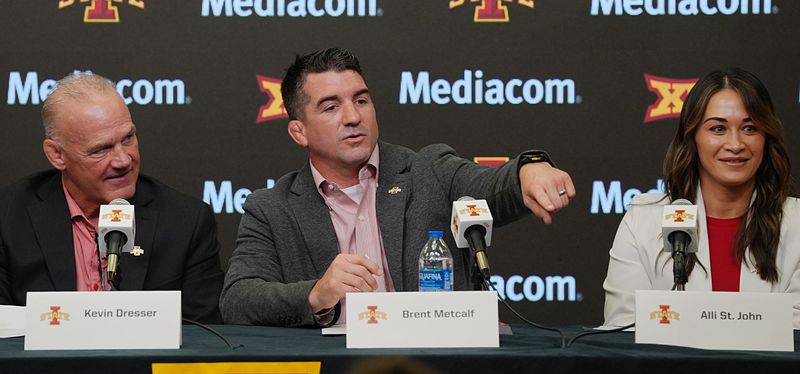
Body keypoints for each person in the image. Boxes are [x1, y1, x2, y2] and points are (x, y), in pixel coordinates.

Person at [220, 47, 576, 327]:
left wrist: (528, 170)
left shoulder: (428, 170)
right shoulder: (272, 207)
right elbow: (238, 300)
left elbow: (493, 187)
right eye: (331, 107)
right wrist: (315, 294)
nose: (353, 117)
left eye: (361, 100)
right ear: (299, 131)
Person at [0, 72, 224, 324]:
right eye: (101, 149)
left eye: (128, 138)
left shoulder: (186, 222)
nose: (123, 160)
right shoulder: (8, 218)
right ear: (57, 155)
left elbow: (203, 335)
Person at [603, 68, 800, 328]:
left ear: (766, 137)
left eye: (750, 128)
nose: (735, 144)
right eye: (718, 128)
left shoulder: (796, 223)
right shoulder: (642, 221)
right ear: (692, 137)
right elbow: (623, 332)